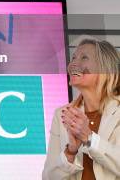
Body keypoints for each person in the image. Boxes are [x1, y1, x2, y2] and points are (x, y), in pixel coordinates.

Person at [42, 38, 120, 180]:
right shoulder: (62, 114)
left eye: (84, 57)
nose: (73, 64)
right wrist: (70, 152)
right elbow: (49, 177)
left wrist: (89, 139)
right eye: (73, 58)